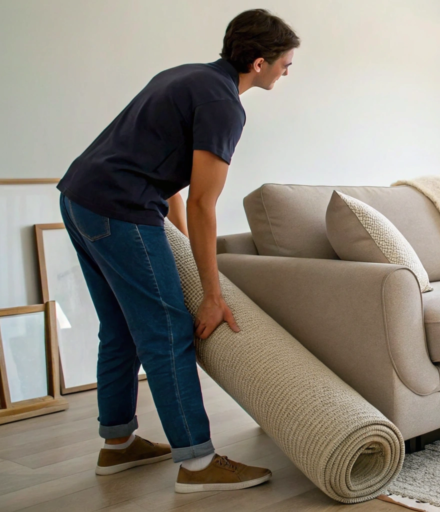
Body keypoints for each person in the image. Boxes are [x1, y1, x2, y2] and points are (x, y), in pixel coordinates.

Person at [56, 9, 298, 493]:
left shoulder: (185, 76)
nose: (288, 69)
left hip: (80, 198)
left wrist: (182, 252)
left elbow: (169, 178)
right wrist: (211, 294)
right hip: (120, 209)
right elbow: (206, 203)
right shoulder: (226, 106)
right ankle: (198, 461)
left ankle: (118, 444)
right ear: (258, 62)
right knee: (168, 331)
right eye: (285, 62)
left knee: (121, 327)